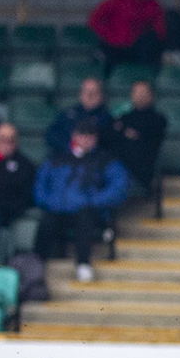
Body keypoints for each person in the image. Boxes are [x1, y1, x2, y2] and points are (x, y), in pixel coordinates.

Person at [34, 118, 128, 283]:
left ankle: (83, 263)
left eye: (90, 135)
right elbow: (41, 183)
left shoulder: (104, 159)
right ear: (74, 136)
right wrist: (47, 201)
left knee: (85, 218)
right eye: (82, 134)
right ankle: (36, 266)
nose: (86, 139)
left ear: (96, 138)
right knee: (45, 222)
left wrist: (94, 200)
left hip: (89, 210)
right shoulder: (57, 157)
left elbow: (119, 186)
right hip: (57, 209)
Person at [88, 0, 168, 72]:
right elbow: (94, 19)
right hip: (114, 46)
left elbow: (159, 30)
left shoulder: (154, 4)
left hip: (137, 49)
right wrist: (110, 36)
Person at [108, 79, 168, 189]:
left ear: (152, 96)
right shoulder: (124, 117)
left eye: (143, 93)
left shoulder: (158, 120)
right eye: (137, 93)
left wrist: (126, 132)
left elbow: (148, 141)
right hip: (118, 164)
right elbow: (113, 136)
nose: (140, 96)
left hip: (141, 167)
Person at [0, 123, 38, 228]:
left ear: (16, 142)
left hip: (8, 214)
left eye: (10, 140)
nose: (6, 143)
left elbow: (26, 196)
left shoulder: (25, 165)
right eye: (2, 139)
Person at [48, 76, 109, 156]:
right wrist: (72, 146)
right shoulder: (66, 115)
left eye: (94, 92)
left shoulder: (107, 119)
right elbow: (51, 137)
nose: (90, 96)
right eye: (86, 91)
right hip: (66, 160)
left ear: (101, 95)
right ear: (80, 94)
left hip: (98, 163)